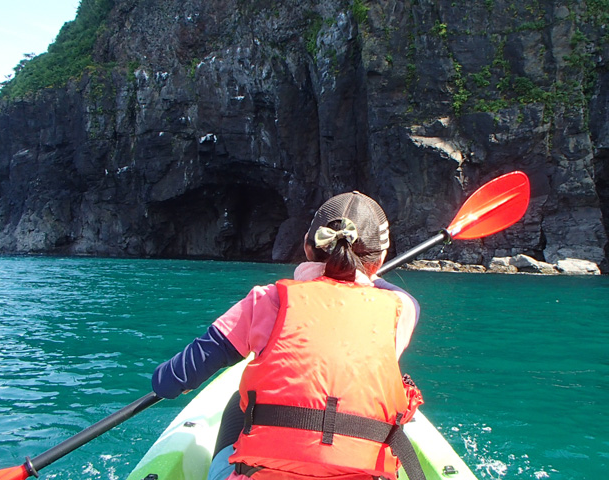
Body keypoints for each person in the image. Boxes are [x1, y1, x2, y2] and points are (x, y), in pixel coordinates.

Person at [152, 191, 424, 480]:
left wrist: (164, 380)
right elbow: (403, 298)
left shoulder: (266, 301)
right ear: (380, 259)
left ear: (308, 246)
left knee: (237, 404)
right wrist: (368, 276)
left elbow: (169, 383)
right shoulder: (401, 310)